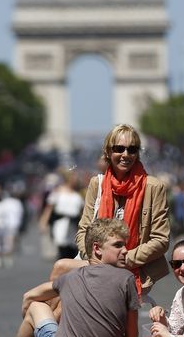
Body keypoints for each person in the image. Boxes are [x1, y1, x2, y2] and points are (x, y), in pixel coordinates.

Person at [0, 218, 139, 337]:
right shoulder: (127, 279)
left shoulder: (70, 278)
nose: (126, 250)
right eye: (118, 245)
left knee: (36, 307)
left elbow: (29, 296)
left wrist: (33, 332)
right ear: (97, 248)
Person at [51, 124, 171, 296]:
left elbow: (161, 240)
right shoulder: (96, 184)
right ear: (108, 152)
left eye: (132, 149)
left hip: (131, 266)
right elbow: (83, 230)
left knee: (60, 286)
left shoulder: (154, 187)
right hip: (96, 262)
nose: (125, 155)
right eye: (119, 149)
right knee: (47, 298)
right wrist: (94, 260)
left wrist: (122, 259)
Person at [39, 172, 84, 260]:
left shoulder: (78, 194)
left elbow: (81, 212)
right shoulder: (58, 192)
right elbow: (48, 209)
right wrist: (43, 222)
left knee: (72, 251)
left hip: (73, 225)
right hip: (60, 223)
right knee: (61, 249)